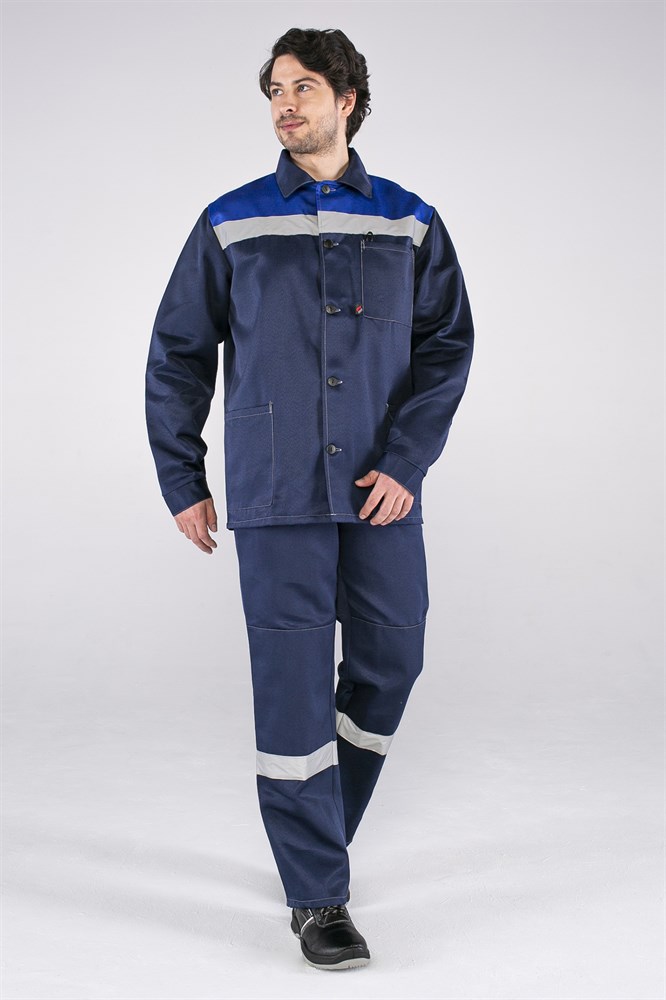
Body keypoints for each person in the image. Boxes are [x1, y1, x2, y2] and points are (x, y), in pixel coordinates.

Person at [145, 26, 474, 971]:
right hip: (277, 491)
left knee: (392, 660)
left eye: (303, 88)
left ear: (347, 100)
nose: (285, 104)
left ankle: (319, 828)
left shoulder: (410, 221)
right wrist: (183, 478)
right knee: (291, 689)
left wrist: (407, 463)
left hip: (380, 492)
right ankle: (318, 896)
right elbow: (177, 355)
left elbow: (447, 347)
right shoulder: (231, 221)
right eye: (275, 91)